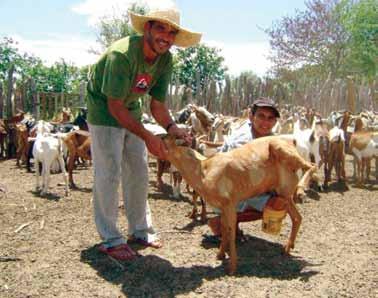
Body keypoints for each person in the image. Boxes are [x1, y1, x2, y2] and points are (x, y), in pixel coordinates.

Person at [86, 7, 201, 260]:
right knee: (109, 171)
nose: (166, 37)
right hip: (104, 109)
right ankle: (110, 239)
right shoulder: (122, 55)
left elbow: (157, 105)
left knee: (138, 169)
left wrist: (172, 128)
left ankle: (139, 230)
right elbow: (114, 106)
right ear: (147, 28)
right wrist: (149, 136)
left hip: (131, 107)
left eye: (172, 32)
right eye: (161, 28)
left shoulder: (166, 59)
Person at [203, 97, 286, 238]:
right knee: (275, 201)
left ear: (275, 121)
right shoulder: (242, 141)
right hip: (226, 188)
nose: (266, 122)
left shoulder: (272, 139)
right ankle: (222, 223)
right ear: (251, 116)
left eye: (270, 118)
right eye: (261, 116)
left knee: (282, 201)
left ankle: (230, 224)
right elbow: (237, 179)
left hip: (246, 186)